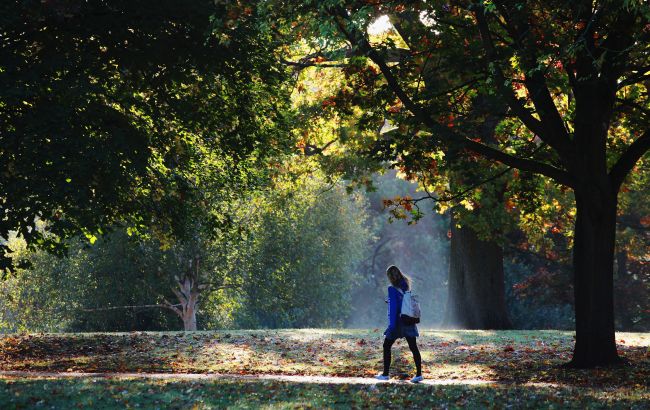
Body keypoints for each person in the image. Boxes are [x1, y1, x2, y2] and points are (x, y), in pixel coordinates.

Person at [375, 265, 423, 383]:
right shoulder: (406, 285)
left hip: (398, 323)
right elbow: (404, 302)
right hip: (408, 320)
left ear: (390, 277)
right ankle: (419, 374)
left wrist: (391, 326)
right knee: (413, 347)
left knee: (386, 346)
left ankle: (385, 374)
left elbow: (394, 309)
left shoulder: (391, 289)